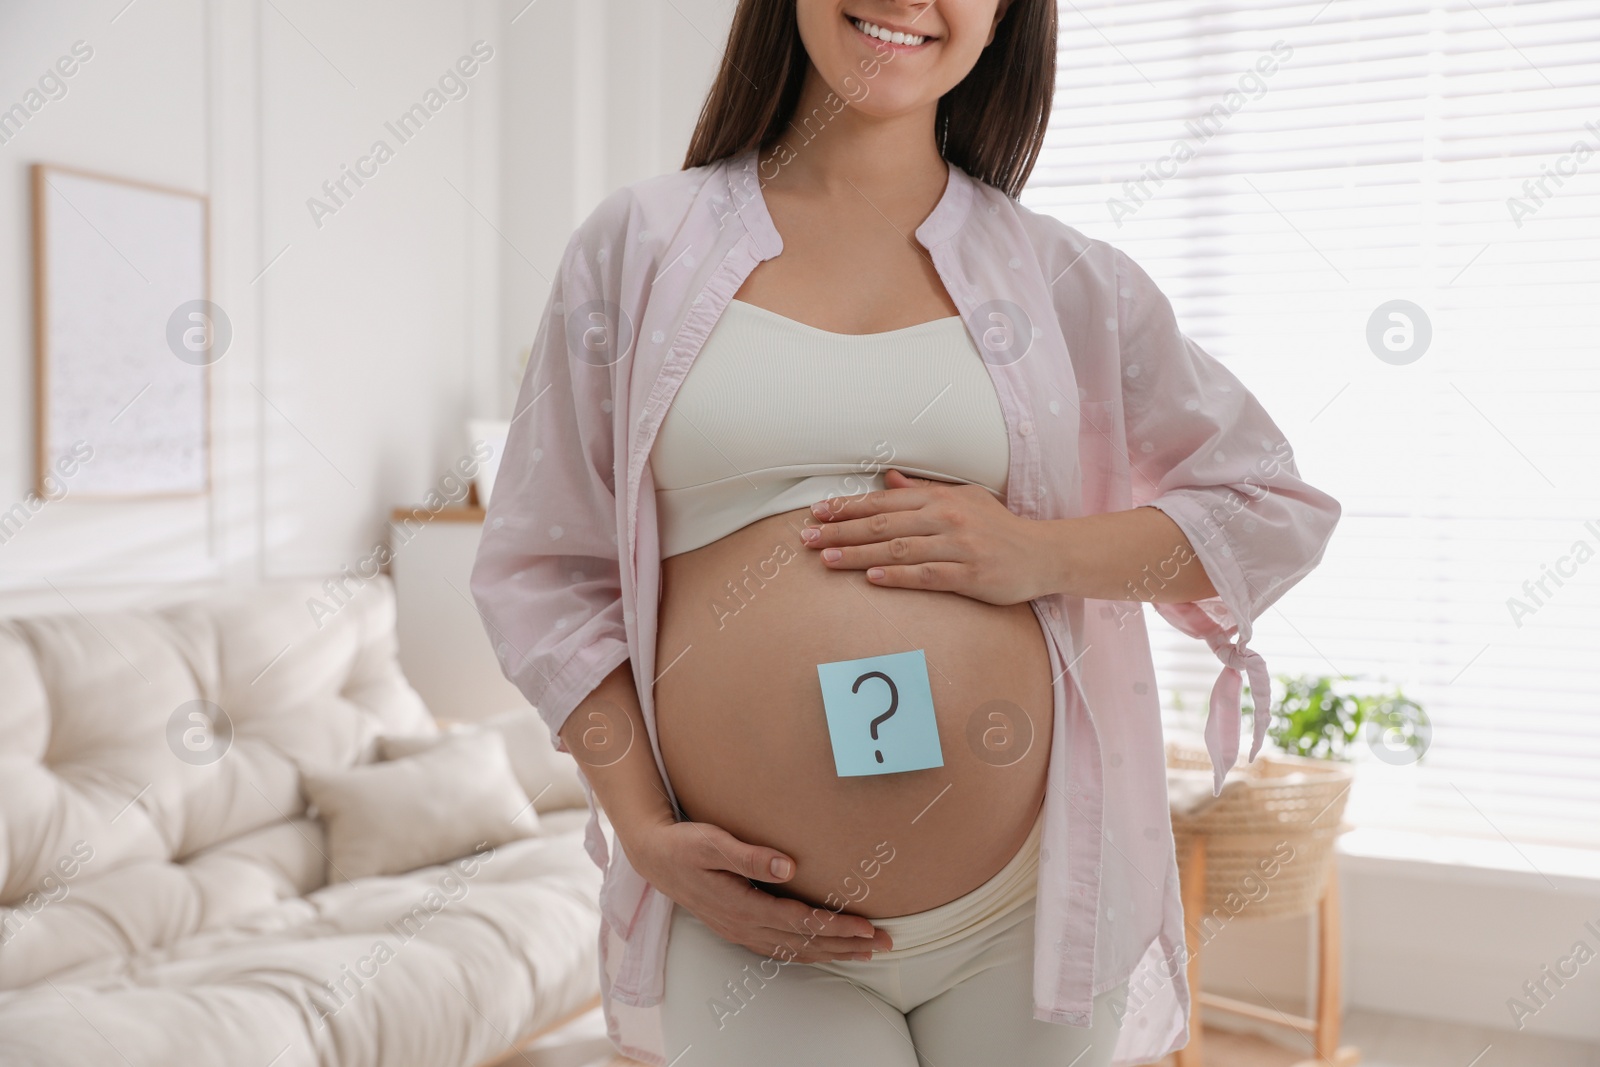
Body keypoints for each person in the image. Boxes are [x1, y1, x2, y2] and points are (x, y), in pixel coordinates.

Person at [470, 2, 1342, 1065]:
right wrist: (646, 834)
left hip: (1017, 917)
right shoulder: (640, 245)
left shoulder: (1064, 280)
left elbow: (1270, 508)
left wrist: (1040, 553)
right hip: (753, 923)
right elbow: (540, 572)